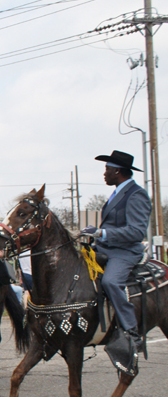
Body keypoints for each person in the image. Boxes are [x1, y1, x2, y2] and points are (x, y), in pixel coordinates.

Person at [81, 150, 151, 376]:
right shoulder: (117, 192)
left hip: (125, 251)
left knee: (110, 282)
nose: (104, 174)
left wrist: (101, 232)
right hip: (105, 248)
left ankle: (131, 332)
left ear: (117, 171)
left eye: (107, 169)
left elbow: (137, 231)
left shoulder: (137, 195)